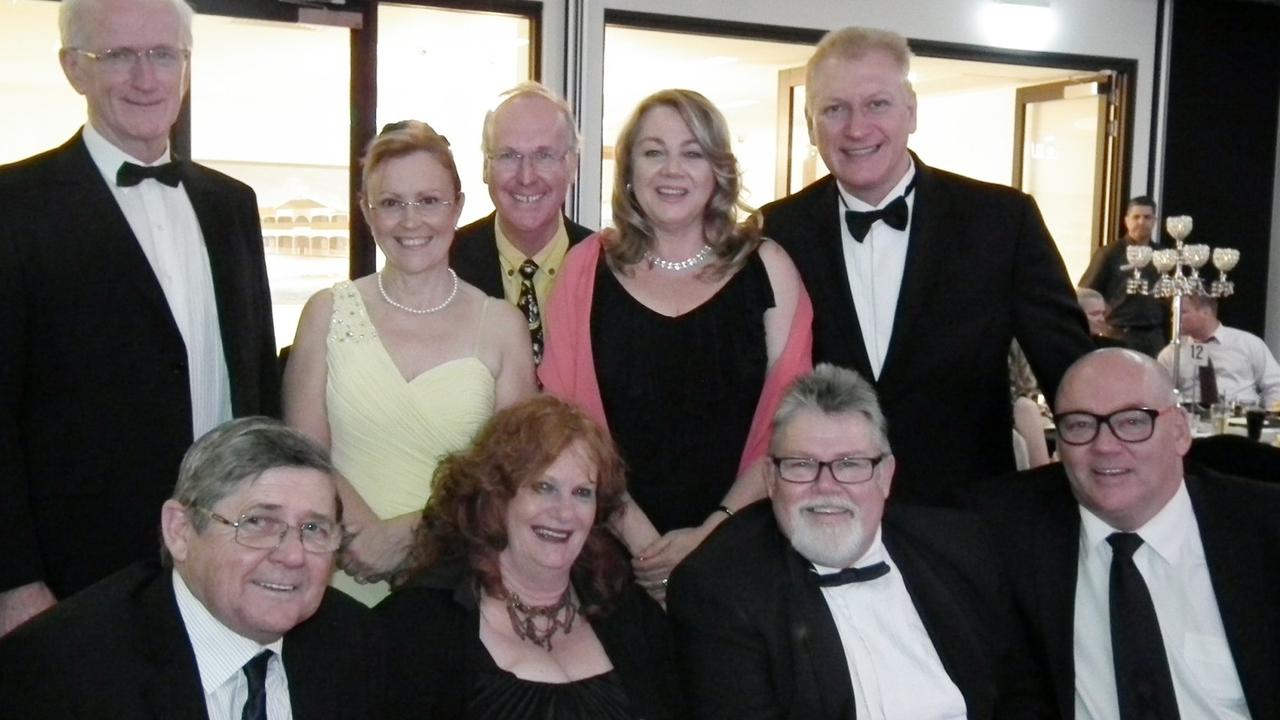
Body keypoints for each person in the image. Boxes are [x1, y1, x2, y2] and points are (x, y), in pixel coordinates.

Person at [0, 0, 279, 635]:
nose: (145, 78)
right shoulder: (14, 208)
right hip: (78, 574)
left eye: (163, 55)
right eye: (118, 56)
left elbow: (256, 380)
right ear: (74, 68)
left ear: (186, 64)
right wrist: (13, 582)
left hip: (227, 556)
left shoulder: (232, 206)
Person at [758, 27, 1091, 507]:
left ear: (911, 111)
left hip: (969, 518)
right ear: (810, 125)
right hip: (820, 513)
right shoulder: (778, 231)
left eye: (877, 104)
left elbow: (1072, 373)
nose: (856, 128)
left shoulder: (1002, 220)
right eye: (835, 109)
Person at [540, 88, 812, 600]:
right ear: (628, 170)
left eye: (692, 153)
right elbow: (567, 426)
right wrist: (643, 543)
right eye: (653, 152)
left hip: (741, 554)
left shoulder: (768, 267)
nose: (672, 169)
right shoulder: (584, 268)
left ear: (718, 171)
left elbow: (791, 426)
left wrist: (710, 538)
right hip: (609, 558)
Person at [667, 364, 1051, 720]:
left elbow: (1022, 693)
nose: (826, 486)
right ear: (770, 478)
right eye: (801, 464)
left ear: (885, 476)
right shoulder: (719, 588)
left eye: (850, 464)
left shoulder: (961, 546)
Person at [284, 120, 537, 606]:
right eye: (392, 203)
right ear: (366, 210)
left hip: (457, 581)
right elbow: (303, 455)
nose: (410, 221)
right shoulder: (325, 312)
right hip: (334, 573)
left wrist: (414, 536)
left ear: (458, 207)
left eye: (428, 201)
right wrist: (364, 538)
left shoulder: (502, 325)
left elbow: (510, 477)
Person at [0, 417, 385, 718]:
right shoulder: (62, 669)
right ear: (180, 531)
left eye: (313, 529)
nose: (292, 555)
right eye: (258, 523)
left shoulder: (358, 645)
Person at [973, 349, 1280, 719]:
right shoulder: (1006, 530)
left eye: (1134, 422)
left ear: (1180, 432)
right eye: (1080, 425)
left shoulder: (1262, 529)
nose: (1104, 445)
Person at [376, 396, 686, 720]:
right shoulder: (420, 623)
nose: (564, 513)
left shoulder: (629, 612)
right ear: (496, 494)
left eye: (582, 493)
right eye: (544, 487)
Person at [450, 82, 594, 365]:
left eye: (543, 155)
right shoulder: (444, 265)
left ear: (572, 166)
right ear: (485, 167)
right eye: (508, 155)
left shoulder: (611, 268)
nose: (526, 176)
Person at [1080, 196, 1169, 356]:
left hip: (1155, 335)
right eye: (1136, 217)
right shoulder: (1110, 253)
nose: (1141, 222)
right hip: (1120, 333)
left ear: (1155, 221)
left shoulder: (1163, 255)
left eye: (1147, 217)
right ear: (1126, 221)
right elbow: (1086, 291)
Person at [1157, 294, 1280, 407]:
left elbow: (1275, 385)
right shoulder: (1172, 353)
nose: (1174, 319)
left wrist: (1270, 417)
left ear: (1205, 312)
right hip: (1191, 421)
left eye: (1182, 312)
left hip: (1240, 419)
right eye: (1174, 313)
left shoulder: (1247, 343)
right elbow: (1160, 394)